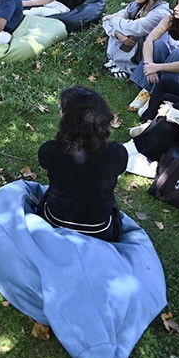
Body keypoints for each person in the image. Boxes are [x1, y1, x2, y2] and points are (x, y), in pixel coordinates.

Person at [36, 87, 127, 242]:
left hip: (54, 221)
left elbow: (45, 164)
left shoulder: (50, 149)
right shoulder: (117, 153)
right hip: (100, 231)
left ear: (66, 118)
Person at [102, 0, 170, 79]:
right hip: (136, 45)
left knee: (126, 29)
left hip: (153, 52)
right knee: (120, 28)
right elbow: (106, 22)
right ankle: (119, 62)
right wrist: (117, 34)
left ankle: (129, 68)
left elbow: (134, 28)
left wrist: (112, 19)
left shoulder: (160, 14)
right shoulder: (136, 6)